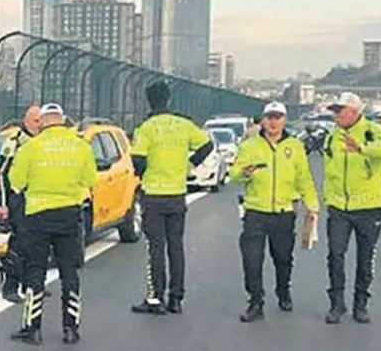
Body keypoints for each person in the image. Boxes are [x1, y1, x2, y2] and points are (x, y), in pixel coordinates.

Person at [7, 103, 96, 345]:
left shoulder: (30, 147)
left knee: (36, 269)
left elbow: (15, 182)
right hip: (69, 214)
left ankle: (32, 329)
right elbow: (89, 180)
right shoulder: (80, 146)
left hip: (38, 215)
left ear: (43, 122)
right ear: (62, 120)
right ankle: (71, 328)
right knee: (69, 270)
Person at [129, 81, 213, 316]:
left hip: (154, 195)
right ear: (168, 99)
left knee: (155, 247)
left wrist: (144, 173)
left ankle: (156, 298)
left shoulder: (146, 128)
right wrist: (189, 164)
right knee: (176, 247)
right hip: (177, 194)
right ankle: (176, 298)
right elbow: (208, 144)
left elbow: (138, 160)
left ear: (149, 100)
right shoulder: (183, 125)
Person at [230, 101, 320, 323]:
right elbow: (232, 175)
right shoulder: (250, 145)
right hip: (255, 211)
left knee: (283, 258)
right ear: (263, 120)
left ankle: (283, 289)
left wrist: (312, 204)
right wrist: (244, 172)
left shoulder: (294, 146)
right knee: (252, 259)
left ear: (284, 120)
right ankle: (255, 301)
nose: (273, 122)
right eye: (269, 117)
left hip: (283, 212)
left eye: (278, 117)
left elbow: (303, 178)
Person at [321, 92, 381, 324]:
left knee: (365, 258)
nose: (336, 115)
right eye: (334, 111)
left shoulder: (373, 131)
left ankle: (361, 304)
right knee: (335, 255)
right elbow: (329, 170)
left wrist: (363, 148)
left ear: (354, 112)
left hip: (369, 206)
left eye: (340, 110)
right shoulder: (331, 137)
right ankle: (337, 304)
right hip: (339, 207)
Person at [0, 105, 43, 303]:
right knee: (18, 245)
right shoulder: (15, 141)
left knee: (37, 245)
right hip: (18, 200)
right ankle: (10, 287)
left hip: (39, 200)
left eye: (41, 121)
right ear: (26, 120)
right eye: (35, 121)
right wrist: (3, 204)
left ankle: (31, 285)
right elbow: (1, 174)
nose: (39, 126)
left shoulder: (42, 142)